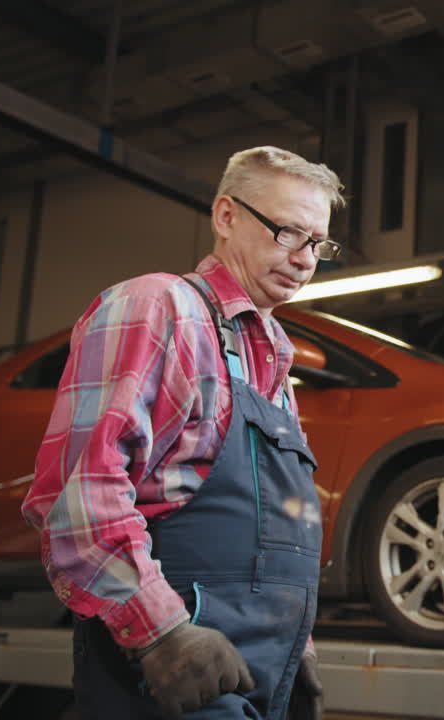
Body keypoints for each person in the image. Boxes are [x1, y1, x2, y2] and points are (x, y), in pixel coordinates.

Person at [23, 146, 345, 719]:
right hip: (174, 672)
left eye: (318, 244)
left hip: (261, 670)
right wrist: (161, 632)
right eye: (289, 233)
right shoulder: (159, 307)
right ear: (226, 216)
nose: (304, 259)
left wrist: (301, 646)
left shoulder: (274, 359)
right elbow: (78, 494)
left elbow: (275, 530)